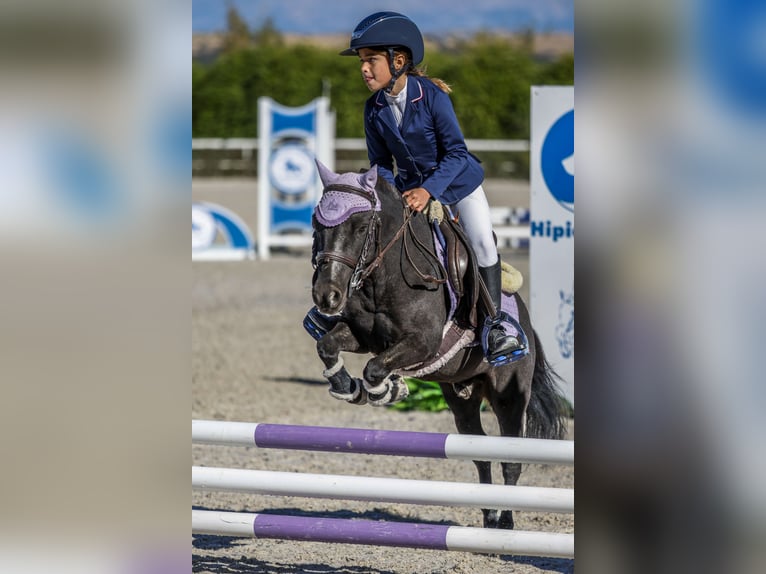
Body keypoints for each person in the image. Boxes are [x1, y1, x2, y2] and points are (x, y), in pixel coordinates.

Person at [305, 11, 525, 365]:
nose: (364, 69)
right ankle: (347, 312)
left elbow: (456, 153)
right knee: (368, 238)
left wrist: (430, 191)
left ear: (399, 60)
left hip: (458, 185)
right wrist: (389, 196)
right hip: (411, 194)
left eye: (371, 61)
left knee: (481, 241)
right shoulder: (373, 109)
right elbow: (381, 166)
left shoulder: (432, 97)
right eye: (362, 62)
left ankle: (495, 325)